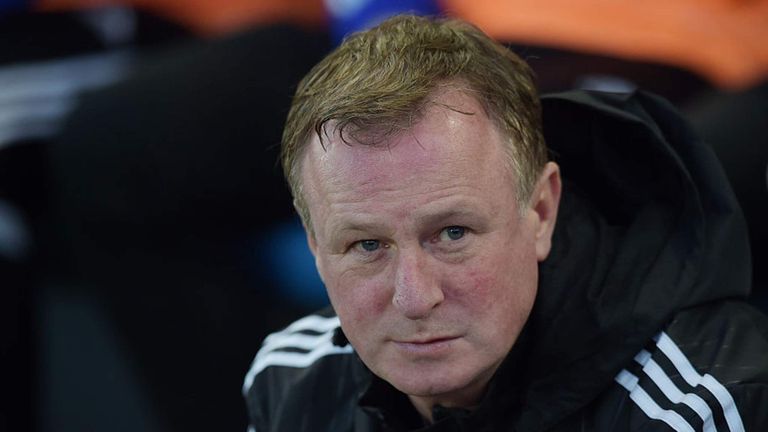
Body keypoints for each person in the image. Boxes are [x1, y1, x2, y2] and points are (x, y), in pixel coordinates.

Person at [243, 15, 768, 431]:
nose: (414, 297)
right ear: (314, 245)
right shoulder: (291, 381)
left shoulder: (696, 410)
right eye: (366, 244)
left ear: (541, 212)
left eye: (452, 234)